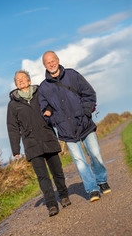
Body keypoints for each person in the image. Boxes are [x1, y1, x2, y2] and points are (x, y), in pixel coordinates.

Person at [38, 51, 111, 202]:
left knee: (95, 154)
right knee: (80, 161)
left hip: (84, 123)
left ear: (57, 60)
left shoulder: (72, 75)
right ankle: (92, 189)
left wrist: (85, 112)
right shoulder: (44, 87)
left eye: (53, 61)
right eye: (47, 62)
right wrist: (52, 119)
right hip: (66, 130)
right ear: (44, 66)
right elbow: (45, 109)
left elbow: (89, 93)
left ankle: (102, 181)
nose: (51, 64)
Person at [7, 70, 71, 217]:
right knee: (43, 177)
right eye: (17, 80)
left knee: (57, 172)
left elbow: (51, 104)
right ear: (16, 84)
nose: (20, 80)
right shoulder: (12, 105)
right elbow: (12, 127)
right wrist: (15, 148)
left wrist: (48, 111)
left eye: (23, 78)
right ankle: (51, 205)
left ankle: (64, 195)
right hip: (31, 144)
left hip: (47, 136)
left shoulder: (40, 93)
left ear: (29, 81)